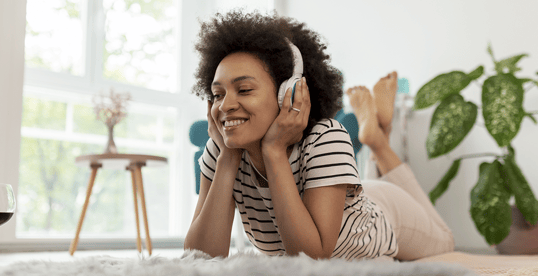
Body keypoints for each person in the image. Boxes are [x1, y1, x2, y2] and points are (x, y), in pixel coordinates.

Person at [184, 10, 454, 261]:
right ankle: (379, 136)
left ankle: (379, 144)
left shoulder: (325, 138)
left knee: (445, 241)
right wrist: (228, 158)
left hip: (383, 214)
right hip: (337, 192)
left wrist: (274, 152)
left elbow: (312, 259)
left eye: (243, 90)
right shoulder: (221, 151)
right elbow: (200, 258)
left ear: (287, 93)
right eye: (218, 94)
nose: (225, 105)